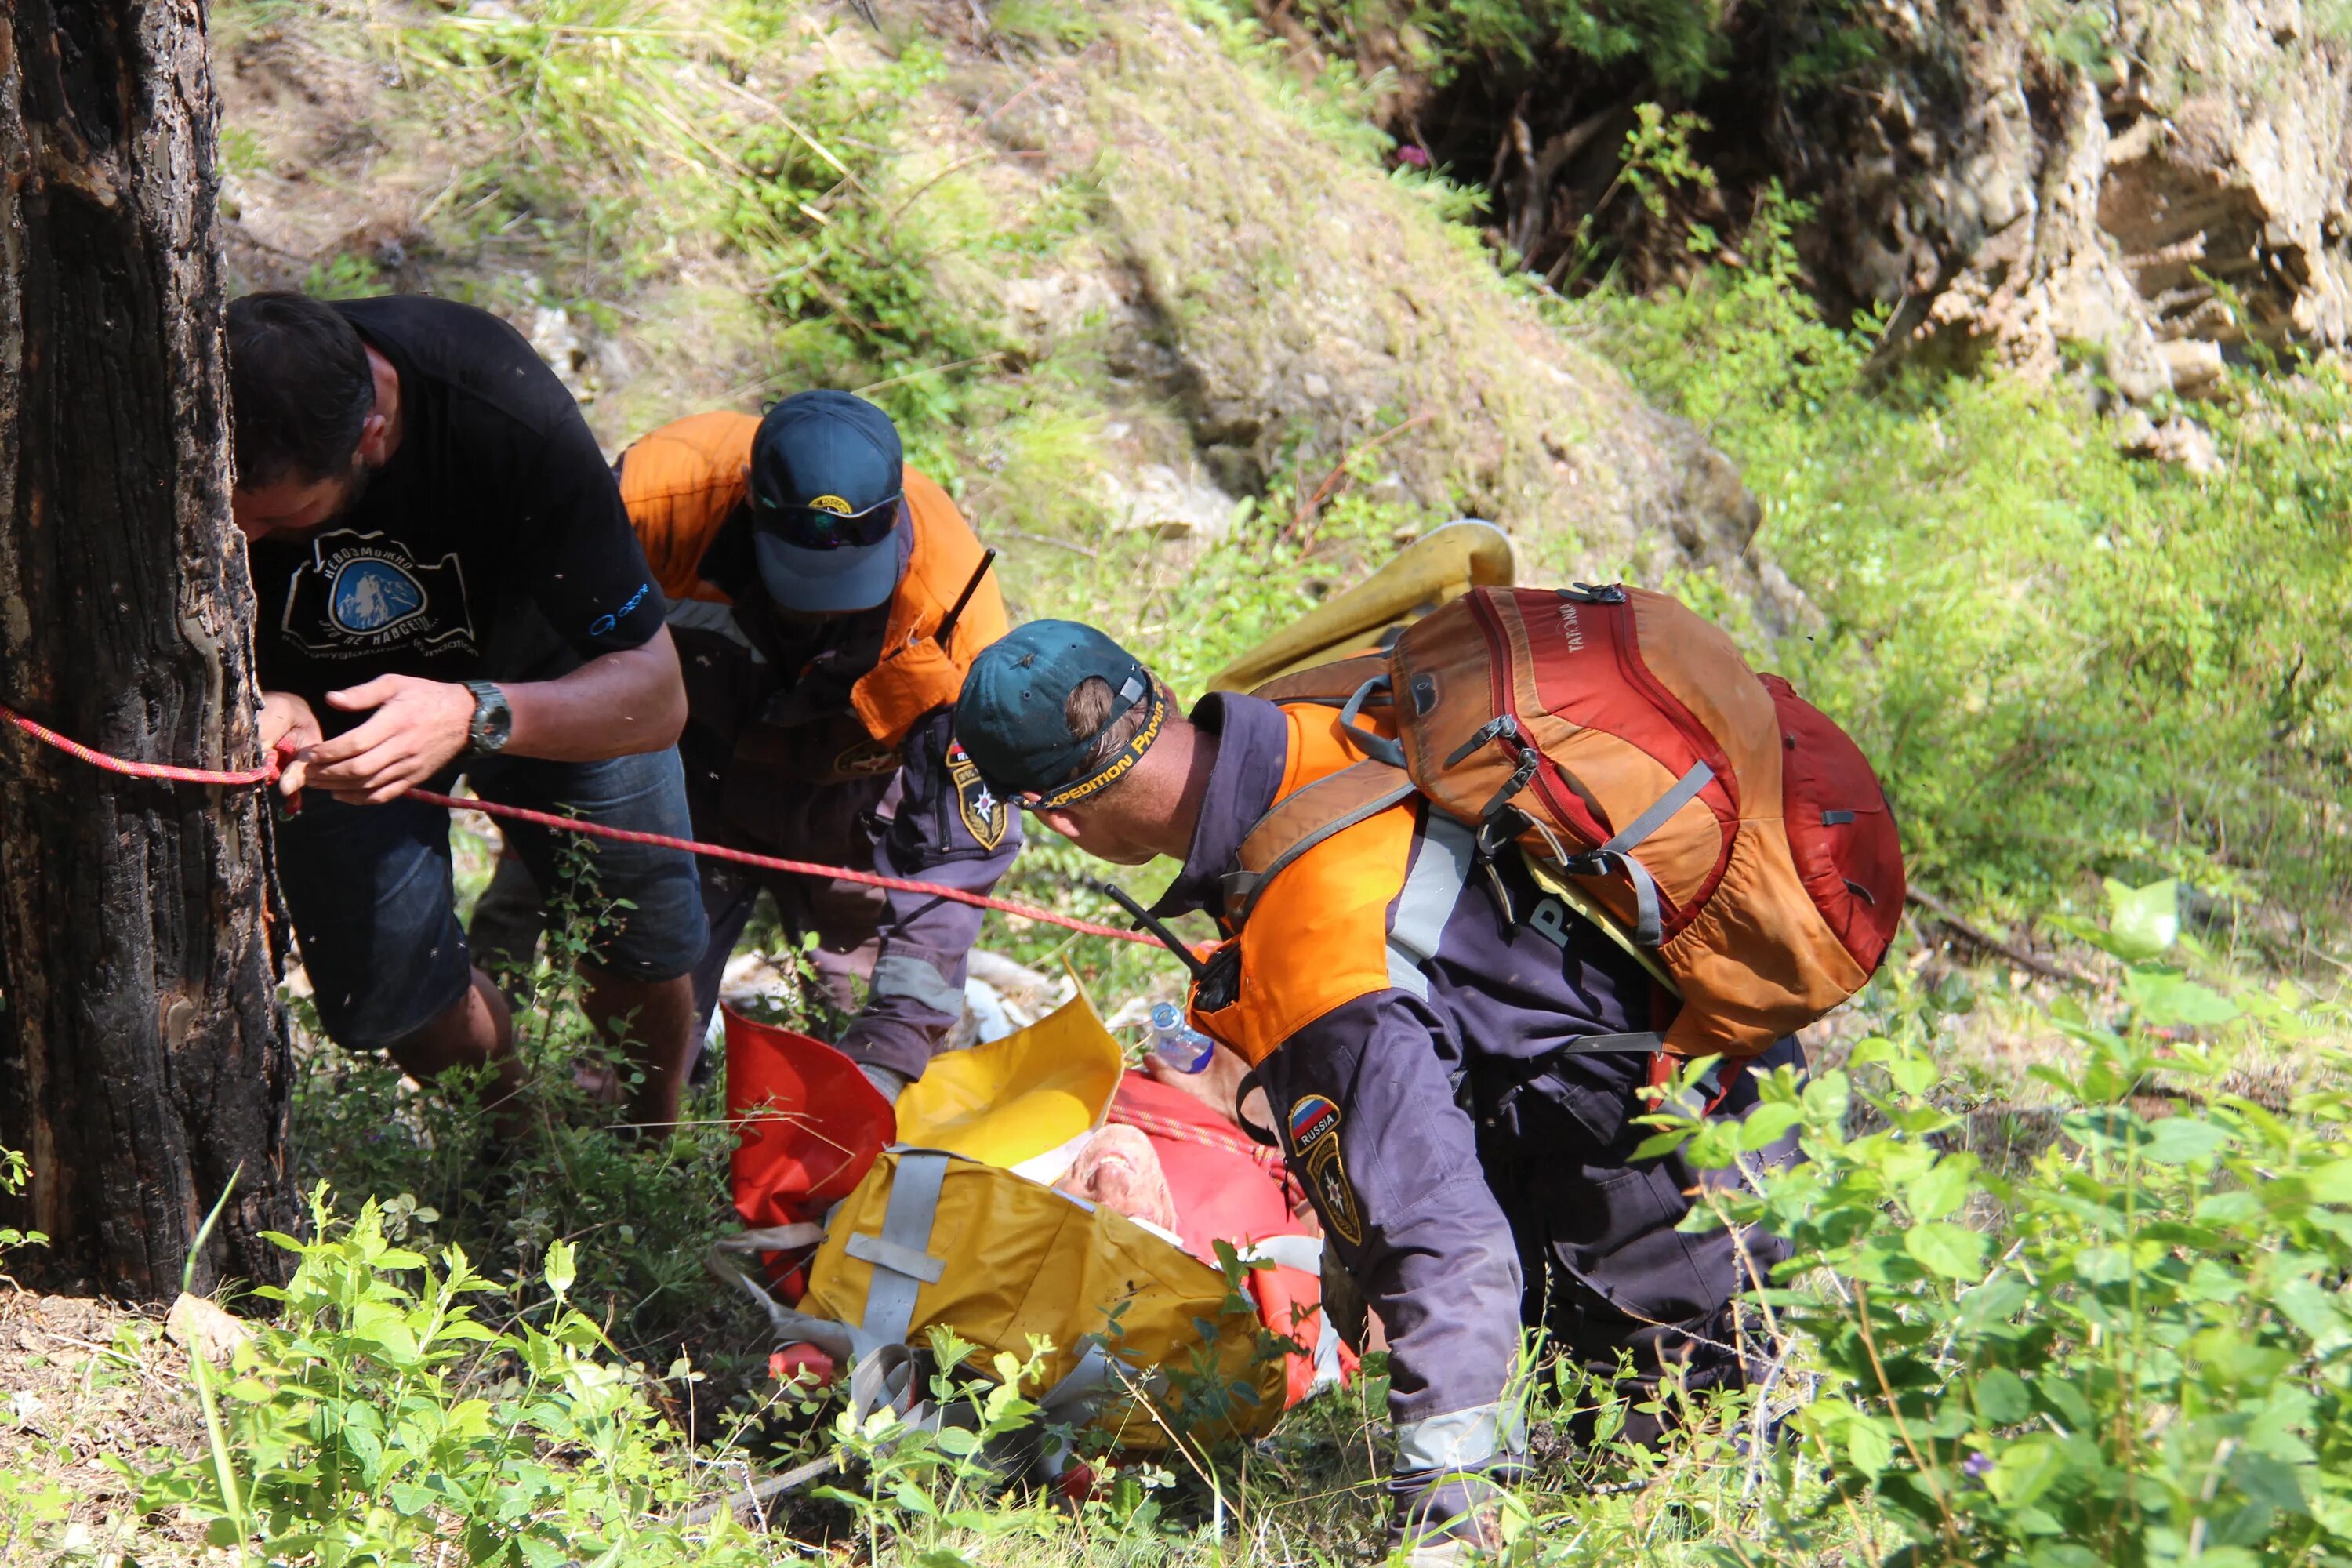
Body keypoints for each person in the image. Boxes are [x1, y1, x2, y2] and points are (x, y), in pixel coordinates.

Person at [953, 620, 1803, 1562]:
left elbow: (1450, 1256)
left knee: (1695, 1516)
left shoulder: (1316, 953)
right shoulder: (1327, 703)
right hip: (1742, 1090)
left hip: (1679, 1235)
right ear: (1149, 685)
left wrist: (1442, 1535)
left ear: (1061, 819)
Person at [227, 291, 707, 1136]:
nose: (242, 535)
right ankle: (520, 1144)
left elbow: (658, 694)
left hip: (544, 675)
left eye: (278, 519)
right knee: (395, 998)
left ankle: (653, 1133)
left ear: (371, 434)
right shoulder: (204, 406)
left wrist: (476, 713)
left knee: (644, 940)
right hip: (336, 732)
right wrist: (262, 695)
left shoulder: (500, 407)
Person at [468, 392, 1020, 1103]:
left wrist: (896, 1043)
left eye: (845, 588)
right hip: (685, 774)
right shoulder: (654, 502)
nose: (820, 605)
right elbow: (544, 670)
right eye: (800, 579)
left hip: (848, 802)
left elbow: (957, 853)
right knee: (642, 1047)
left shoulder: (956, 621)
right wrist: (532, 857)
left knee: (859, 1045)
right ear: (751, 506)